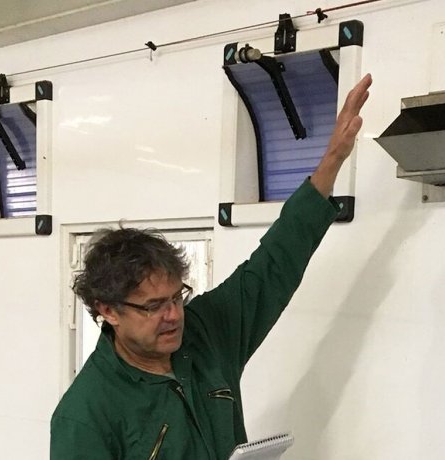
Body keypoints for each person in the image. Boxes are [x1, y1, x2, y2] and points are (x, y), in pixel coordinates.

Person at [50, 74, 372, 459]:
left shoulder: (208, 333)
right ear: (108, 310)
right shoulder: (85, 413)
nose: (173, 316)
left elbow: (274, 264)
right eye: (153, 305)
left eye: (176, 298)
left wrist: (332, 159)